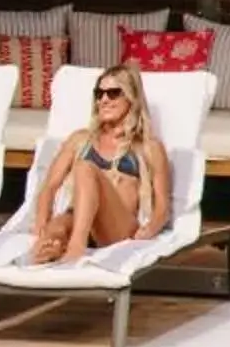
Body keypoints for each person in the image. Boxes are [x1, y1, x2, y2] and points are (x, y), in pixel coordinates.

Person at [29, 62, 169, 264]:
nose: (104, 100)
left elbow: (162, 206)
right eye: (99, 93)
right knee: (56, 230)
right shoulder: (79, 140)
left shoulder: (148, 148)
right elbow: (49, 188)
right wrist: (41, 226)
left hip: (117, 228)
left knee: (85, 168)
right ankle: (44, 262)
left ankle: (75, 248)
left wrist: (149, 230)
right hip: (77, 218)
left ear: (131, 98)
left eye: (113, 93)